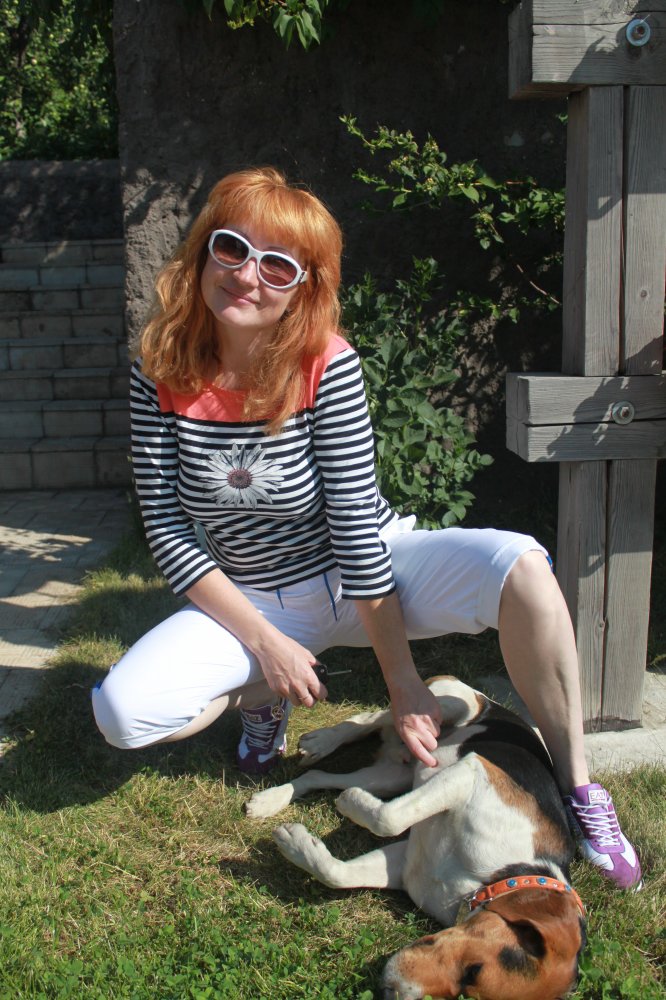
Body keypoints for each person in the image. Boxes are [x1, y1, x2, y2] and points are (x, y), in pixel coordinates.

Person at [92, 167, 641, 890]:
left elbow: (355, 529)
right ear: (202, 253)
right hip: (250, 597)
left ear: (304, 287)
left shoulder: (326, 364)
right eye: (231, 248)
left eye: (277, 265)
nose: (247, 275)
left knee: (523, 568)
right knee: (121, 713)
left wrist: (403, 684)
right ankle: (262, 698)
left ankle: (578, 788)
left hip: (366, 574)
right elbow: (165, 526)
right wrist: (266, 646)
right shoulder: (159, 367)